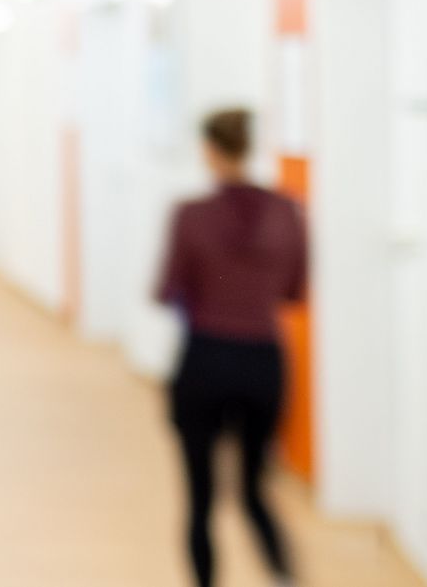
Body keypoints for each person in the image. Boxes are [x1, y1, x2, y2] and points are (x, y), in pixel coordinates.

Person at [157, 108, 305, 587]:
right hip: (263, 362)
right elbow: (294, 290)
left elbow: (168, 289)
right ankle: (284, 578)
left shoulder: (190, 215)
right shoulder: (287, 212)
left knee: (200, 497)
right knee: (254, 490)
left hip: (205, 359)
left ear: (209, 150)